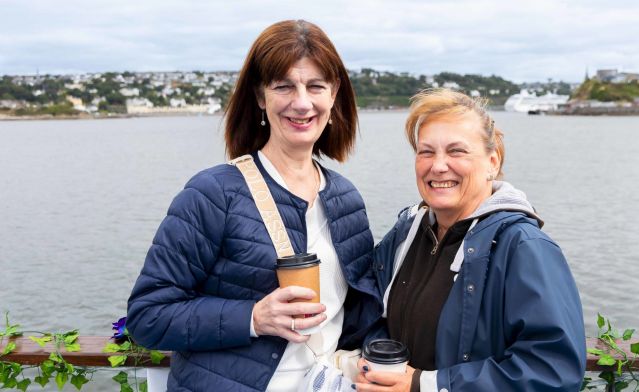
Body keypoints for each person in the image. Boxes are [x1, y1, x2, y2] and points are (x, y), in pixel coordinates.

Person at [126, 20, 381, 392]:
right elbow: (147, 317)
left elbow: (359, 320)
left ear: (334, 94)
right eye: (284, 86)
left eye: (315, 86)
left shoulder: (347, 200)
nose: (302, 102)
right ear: (261, 97)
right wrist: (253, 318)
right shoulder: (213, 193)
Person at [354, 88, 586, 391]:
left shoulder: (522, 246)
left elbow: (554, 370)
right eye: (426, 151)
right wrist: (375, 362)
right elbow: (375, 314)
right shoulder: (404, 235)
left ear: (492, 161)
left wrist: (425, 385)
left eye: (456, 151)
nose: (438, 166)